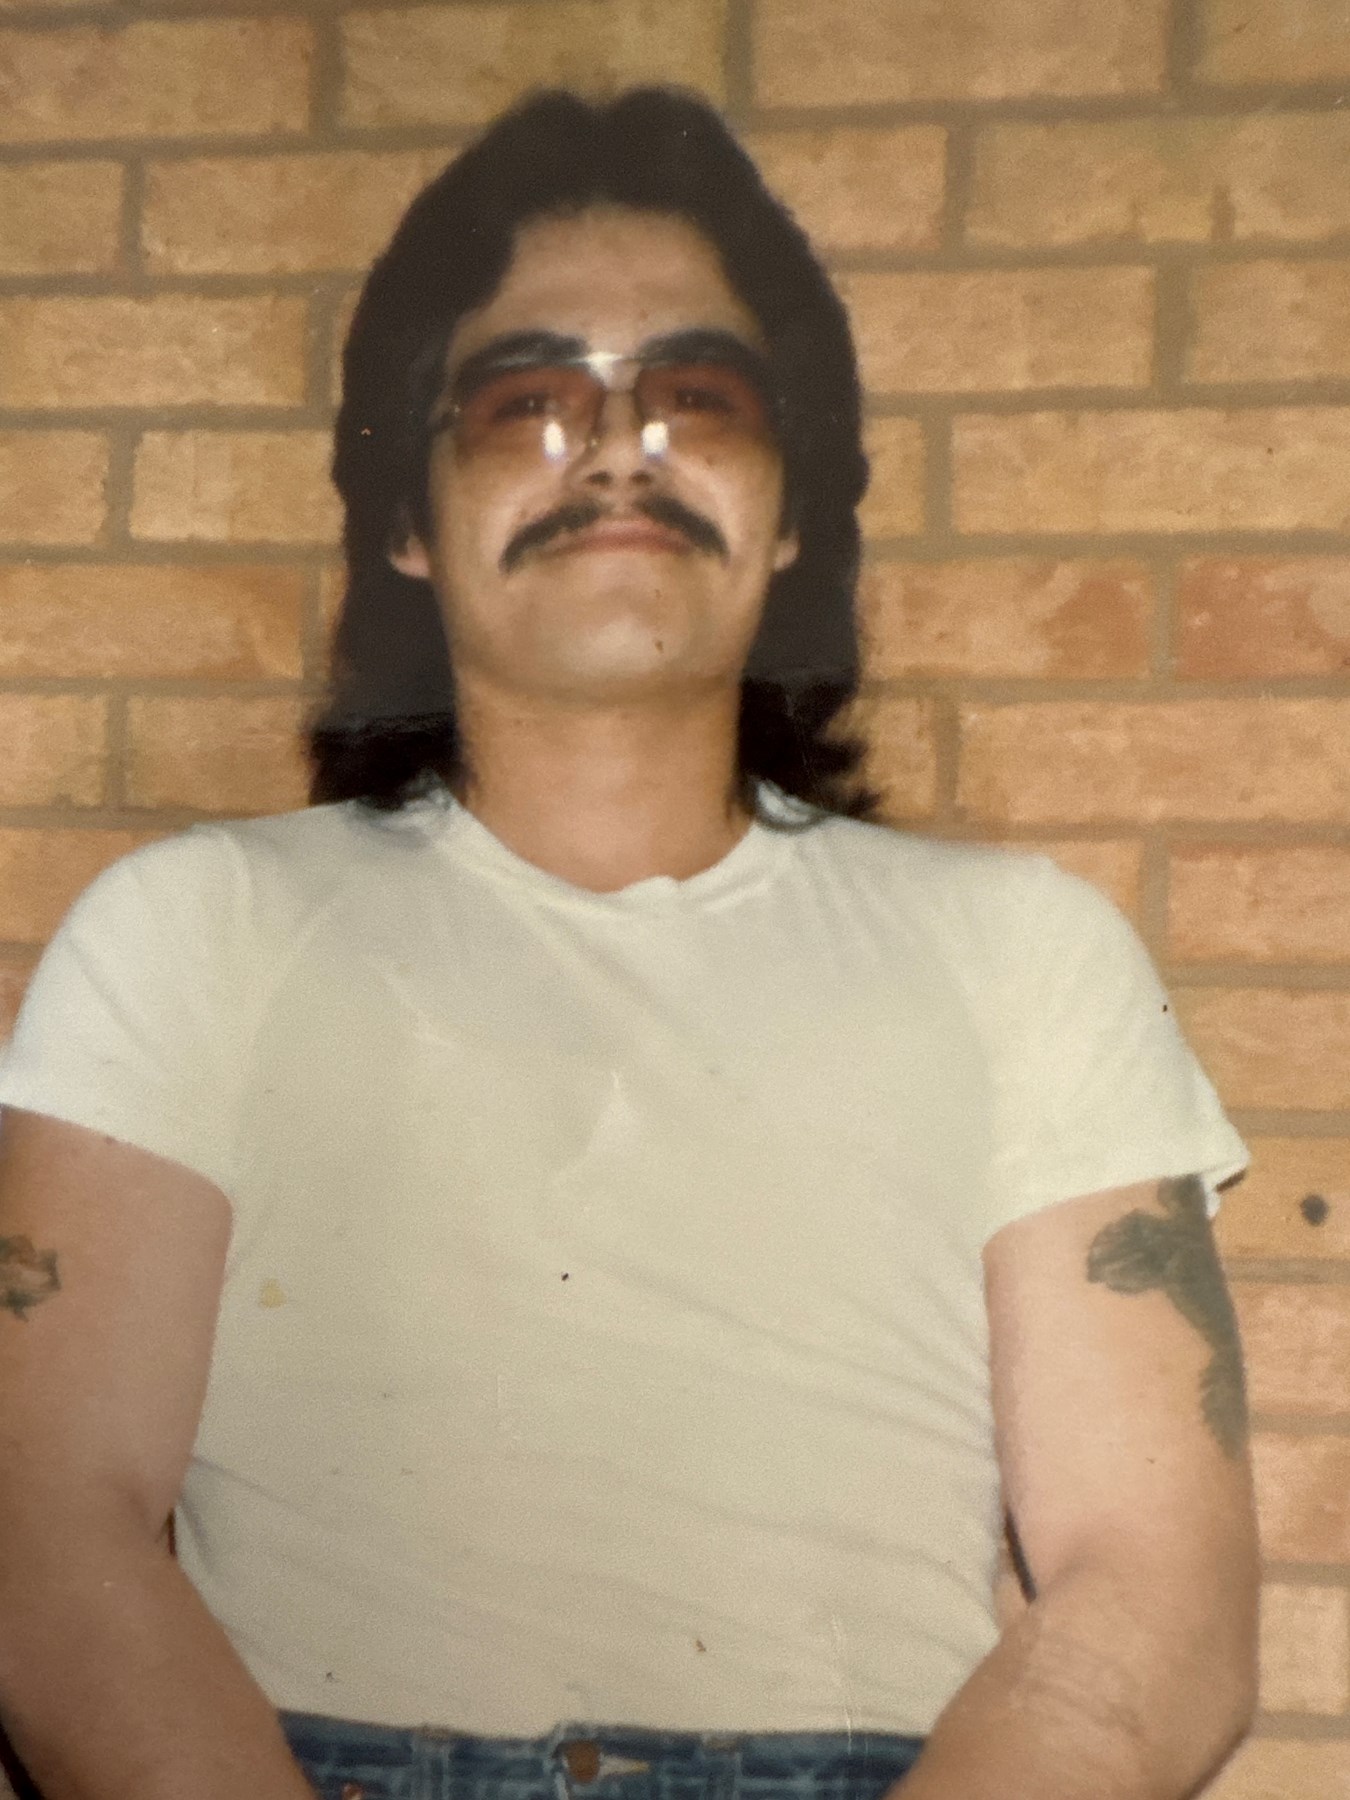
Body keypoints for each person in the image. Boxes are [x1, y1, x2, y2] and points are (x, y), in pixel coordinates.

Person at [0, 88, 1257, 1800]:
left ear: (790, 506)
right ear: (406, 515)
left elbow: (1154, 1601)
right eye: (524, 401)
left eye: (696, 396)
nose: (614, 452)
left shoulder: (1028, 957)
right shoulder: (194, 931)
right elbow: (43, 1534)